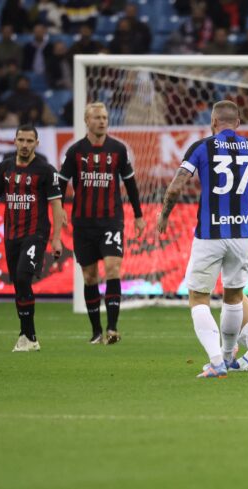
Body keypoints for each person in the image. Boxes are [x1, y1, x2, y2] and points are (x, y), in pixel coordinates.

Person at [156, 100, 248, 378]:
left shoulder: (201, 147)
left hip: (210, 234)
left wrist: (164, 214)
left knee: (199, 297)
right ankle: (227, 356)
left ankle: (216, 362)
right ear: (238, 124)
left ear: (213, 122)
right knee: (234, 296)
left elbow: (175, 187)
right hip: (244, 234)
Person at [57, 103, 145, 345]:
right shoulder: (75, 151)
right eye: (97, 117)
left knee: (113, 268)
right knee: (90, 276)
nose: (102, 121)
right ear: (87, 121)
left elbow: (131, 184)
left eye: (105, 117)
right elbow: (61, 182)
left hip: (111, 221)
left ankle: (113, 328)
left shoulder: (118, 149)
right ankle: (96, 331)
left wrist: (138, 215)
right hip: (83, 223)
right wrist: (59, 208)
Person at [0, 125, 64, 352]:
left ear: (37, 143)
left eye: (29, 141)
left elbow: (56, 204)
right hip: (11, 235)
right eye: (21, 140)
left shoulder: (46, 170)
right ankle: (28, 336)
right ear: (15, 141)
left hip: (36, 233)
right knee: (18, 285)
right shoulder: (5, 168)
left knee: (23, 276)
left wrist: (56, 238)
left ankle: (27, 335)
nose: (25, 145)